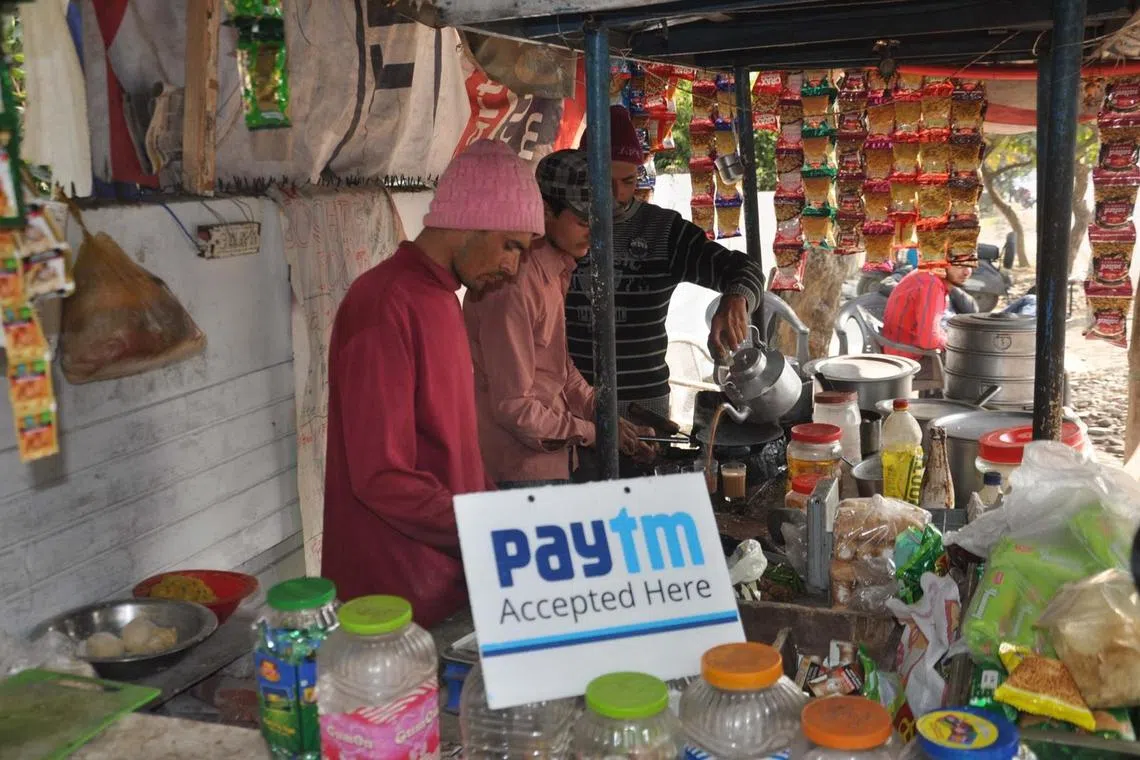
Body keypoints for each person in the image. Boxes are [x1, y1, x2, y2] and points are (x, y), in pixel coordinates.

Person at [321, 140, 545, 628]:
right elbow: (382, 476)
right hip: (393, 598)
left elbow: (454, 448)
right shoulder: (384, 303)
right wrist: (484, 527)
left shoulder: (443, 299)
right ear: (468, 220)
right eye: (510, 246)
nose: (513, 269)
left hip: (448, 581)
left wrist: (503, 512)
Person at [464, 149, 653, 489]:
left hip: (549, 461)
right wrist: (592, 432)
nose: (594, 233)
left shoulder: (554, 269)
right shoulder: (515, 283)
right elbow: (514, 407)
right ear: (546, 211)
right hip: (518, 470)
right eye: (583, 221)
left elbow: (558, 368)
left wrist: (603, 416)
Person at [567, 105, 766, 422]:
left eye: (628, 181)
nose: (617, 194)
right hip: (569, 403)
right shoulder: (562, 225)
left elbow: (745, 268)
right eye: (604, 180)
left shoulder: (662, 231)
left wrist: (735, 298)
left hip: (643, 407)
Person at [881, 253, 979, 361]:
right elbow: (928, 341)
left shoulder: (927, 274)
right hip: (910, 359)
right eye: (959, 265)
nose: (967, 272)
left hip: (906, 349)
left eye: (970, 265)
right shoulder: (931, 285)